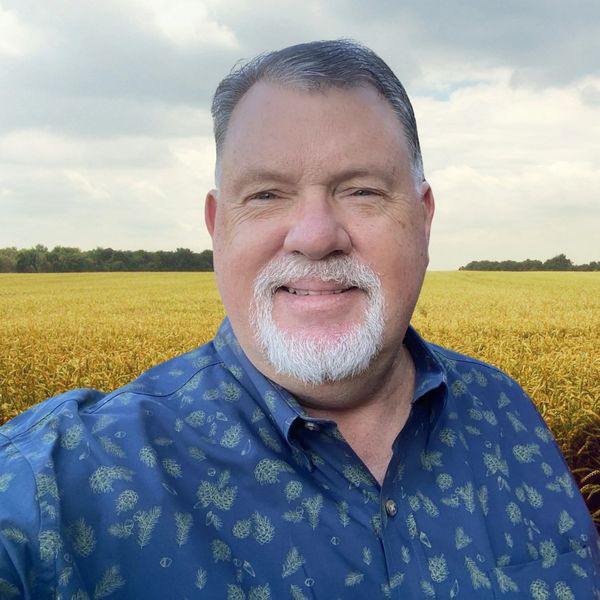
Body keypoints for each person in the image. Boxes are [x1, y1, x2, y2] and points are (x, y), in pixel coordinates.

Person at [0, 40, 598, 599]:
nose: (315, 237)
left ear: (423, 219)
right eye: (266, 195)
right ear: (217, 228)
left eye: (361, 191)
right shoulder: (60, 479)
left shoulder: (504, 410)